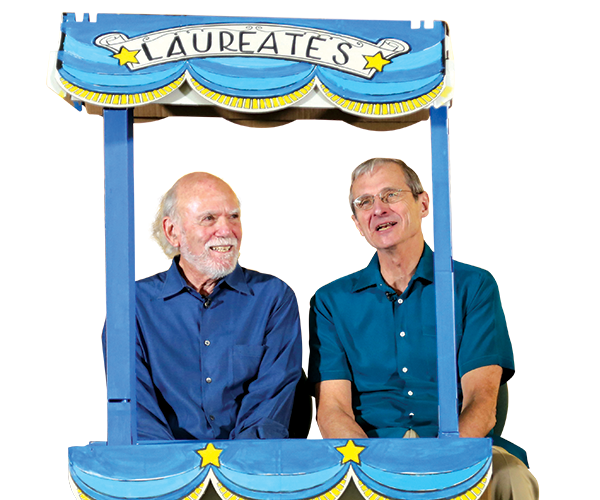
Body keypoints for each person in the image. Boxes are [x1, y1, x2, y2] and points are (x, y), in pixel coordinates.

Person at [307, 158, 539, 499]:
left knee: (510, 477)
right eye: (365, 202)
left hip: (455, 444)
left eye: (390, 195)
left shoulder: (472, 287)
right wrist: (373, 468)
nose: (378, 210)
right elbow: (332, 410)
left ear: (424, 205)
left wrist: (443, 462)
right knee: (303, 476)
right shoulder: (331, 301)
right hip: (363, 449)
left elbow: (482, 401)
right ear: (357, 223)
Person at [135, 171, 302, 441]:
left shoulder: (272, 298)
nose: (226, 231)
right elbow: (137, 413)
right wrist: (172, 473)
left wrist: (232, 472)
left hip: (249, 470)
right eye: (209, 218)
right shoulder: (136, 306)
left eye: (233, 217)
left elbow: (270, 403)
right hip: (163, 471)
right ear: (172, 231)